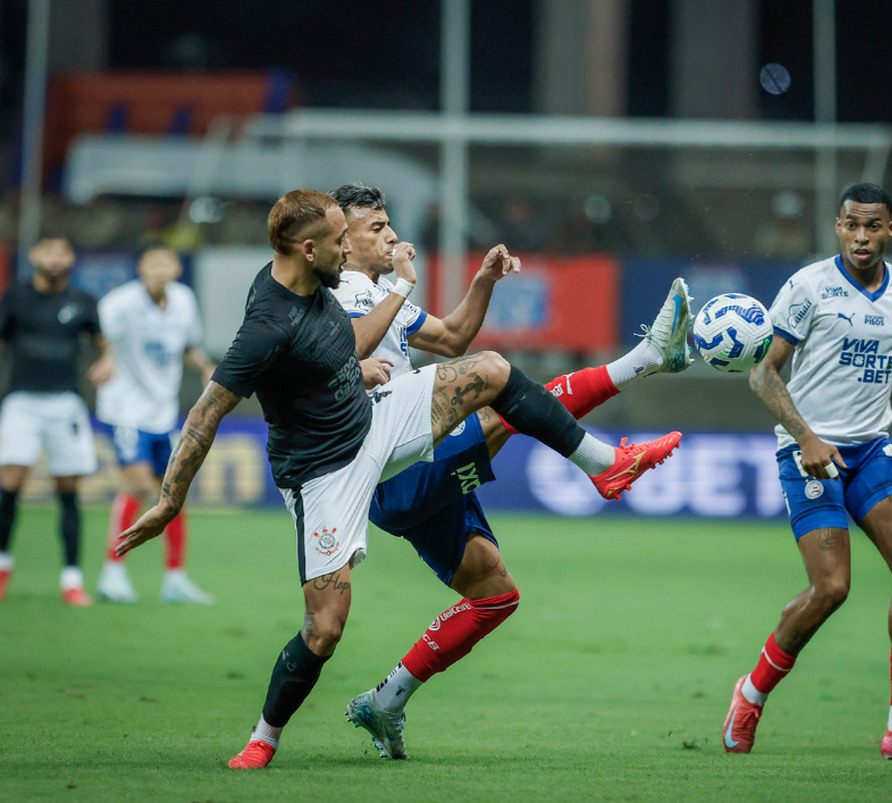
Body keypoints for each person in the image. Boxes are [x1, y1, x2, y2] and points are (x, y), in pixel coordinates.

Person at [114, 189, 681, 770]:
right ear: (312, 250)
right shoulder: (269, 321)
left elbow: (374, 342)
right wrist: (167, 502)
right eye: (347, 236)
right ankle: (264, 737)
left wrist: (356, 360)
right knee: (325, 629)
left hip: (377, 417)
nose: (367, 243)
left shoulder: (327, 279)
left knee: (491, 373)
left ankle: (606, 464)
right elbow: (206, 412)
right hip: (323, 469)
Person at [325, 183, 693, 760]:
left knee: (494, 594)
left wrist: (482, 284)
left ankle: (386, 701)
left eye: (389, 222)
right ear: (340, 243)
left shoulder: (378, 292)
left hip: (422, 459)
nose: (392, 235)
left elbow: (450, 339)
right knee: (502, 406)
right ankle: (638, 374)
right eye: (375, 229)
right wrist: (398, 286)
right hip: (390, 472)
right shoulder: (343, 291)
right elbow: (345, 349)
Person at [721, 183, 892, 761]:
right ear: (837, 226)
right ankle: (750, 694)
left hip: (873, 450)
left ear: (890, 230)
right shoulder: (808, 287)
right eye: (851, 224)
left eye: (873, 226)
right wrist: (807, 436)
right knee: (831, 588)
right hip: (808, 454)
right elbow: (763, 375)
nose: (861, 236)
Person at [91, 246, 217, 605]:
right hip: (125, 410)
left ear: (177, 268)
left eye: (167, 263)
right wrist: (105, 357)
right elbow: (98, 335)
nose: (160, 270)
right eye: (153, 264)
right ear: (140, 267)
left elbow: (189, 346)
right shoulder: (119, 303)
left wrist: (205, 366)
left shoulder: (183, 301)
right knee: (136, 486)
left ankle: (175, 579)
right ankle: (111, 573)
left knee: (174, 496)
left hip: (162, 414)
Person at [0, 236, 111, 606]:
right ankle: (2, 567)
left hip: (66, 403)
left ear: (70, 258)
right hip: (21, 402)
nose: (55, 258)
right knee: (9, 483)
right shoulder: (15, 297)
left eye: (63, 251)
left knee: (68, 490)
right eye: (48, 250)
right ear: (34, 256)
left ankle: (71, 580)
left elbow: (101, 341)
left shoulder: (81, 301)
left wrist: (106, 360)